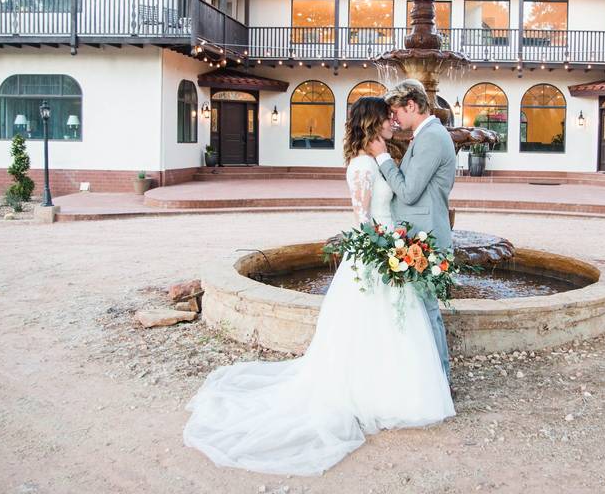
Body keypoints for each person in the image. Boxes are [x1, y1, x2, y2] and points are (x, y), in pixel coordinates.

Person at [183, 96, 454, 476]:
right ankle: (368, 392)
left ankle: (392, 389)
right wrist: (389, 249)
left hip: (394, 248)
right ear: (371, 124)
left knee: (395, 325)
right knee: (373, 325)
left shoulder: (379, 159)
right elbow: (363, 218)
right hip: (376, 256)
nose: (393, 122)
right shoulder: (361, 165)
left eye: (395, 116)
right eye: (387, 118)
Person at [367, 79, 457, 383]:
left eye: (397, 112)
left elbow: (408, 192)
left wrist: (382, 157)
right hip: (418, 237)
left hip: (427, 238)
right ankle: (428, 380)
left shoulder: (431, 137)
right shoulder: (424, 135)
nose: (394, 119)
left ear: (412, 105)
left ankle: (440, 381)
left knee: (429, 311)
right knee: (422, 312)